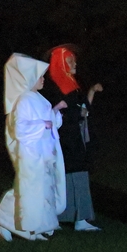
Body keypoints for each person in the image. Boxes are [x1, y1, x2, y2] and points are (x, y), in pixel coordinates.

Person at [0, 54, 67, 241]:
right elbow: (20, 128)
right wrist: (43, 125)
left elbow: (49, 122)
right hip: (32, 155)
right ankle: (3, 220)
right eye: (40, 76)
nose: (43, 79)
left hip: (43, 154)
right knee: (28, 191)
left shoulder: (39, 98)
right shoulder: (24, 100)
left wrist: (55, 112)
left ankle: (35, 228)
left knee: (42, 191)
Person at [45, 45, 102, 231]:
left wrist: (91, 92)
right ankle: (78, 218)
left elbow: (82, 109)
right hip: (65, 138)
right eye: (70, 61)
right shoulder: (55, 87)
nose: (74, 64)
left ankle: (74, 216)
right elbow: (62, 112)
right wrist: (77, 113)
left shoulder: (72, 85)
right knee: (70, 173)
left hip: (74, 137)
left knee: (75, 172)